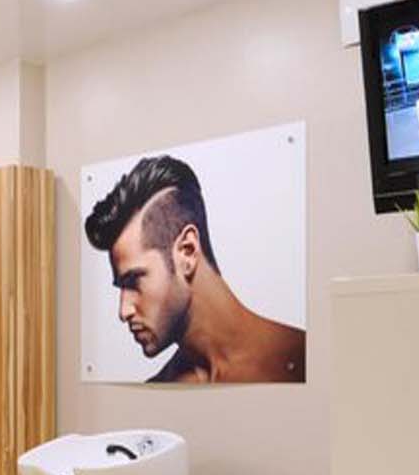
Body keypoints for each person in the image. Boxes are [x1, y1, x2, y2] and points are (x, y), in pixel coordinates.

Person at [84, 154, 304, 384]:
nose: (123, 311)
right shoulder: (160, 389)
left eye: (134, 281)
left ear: (187, 251)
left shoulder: (302, 361)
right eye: (122, 286)